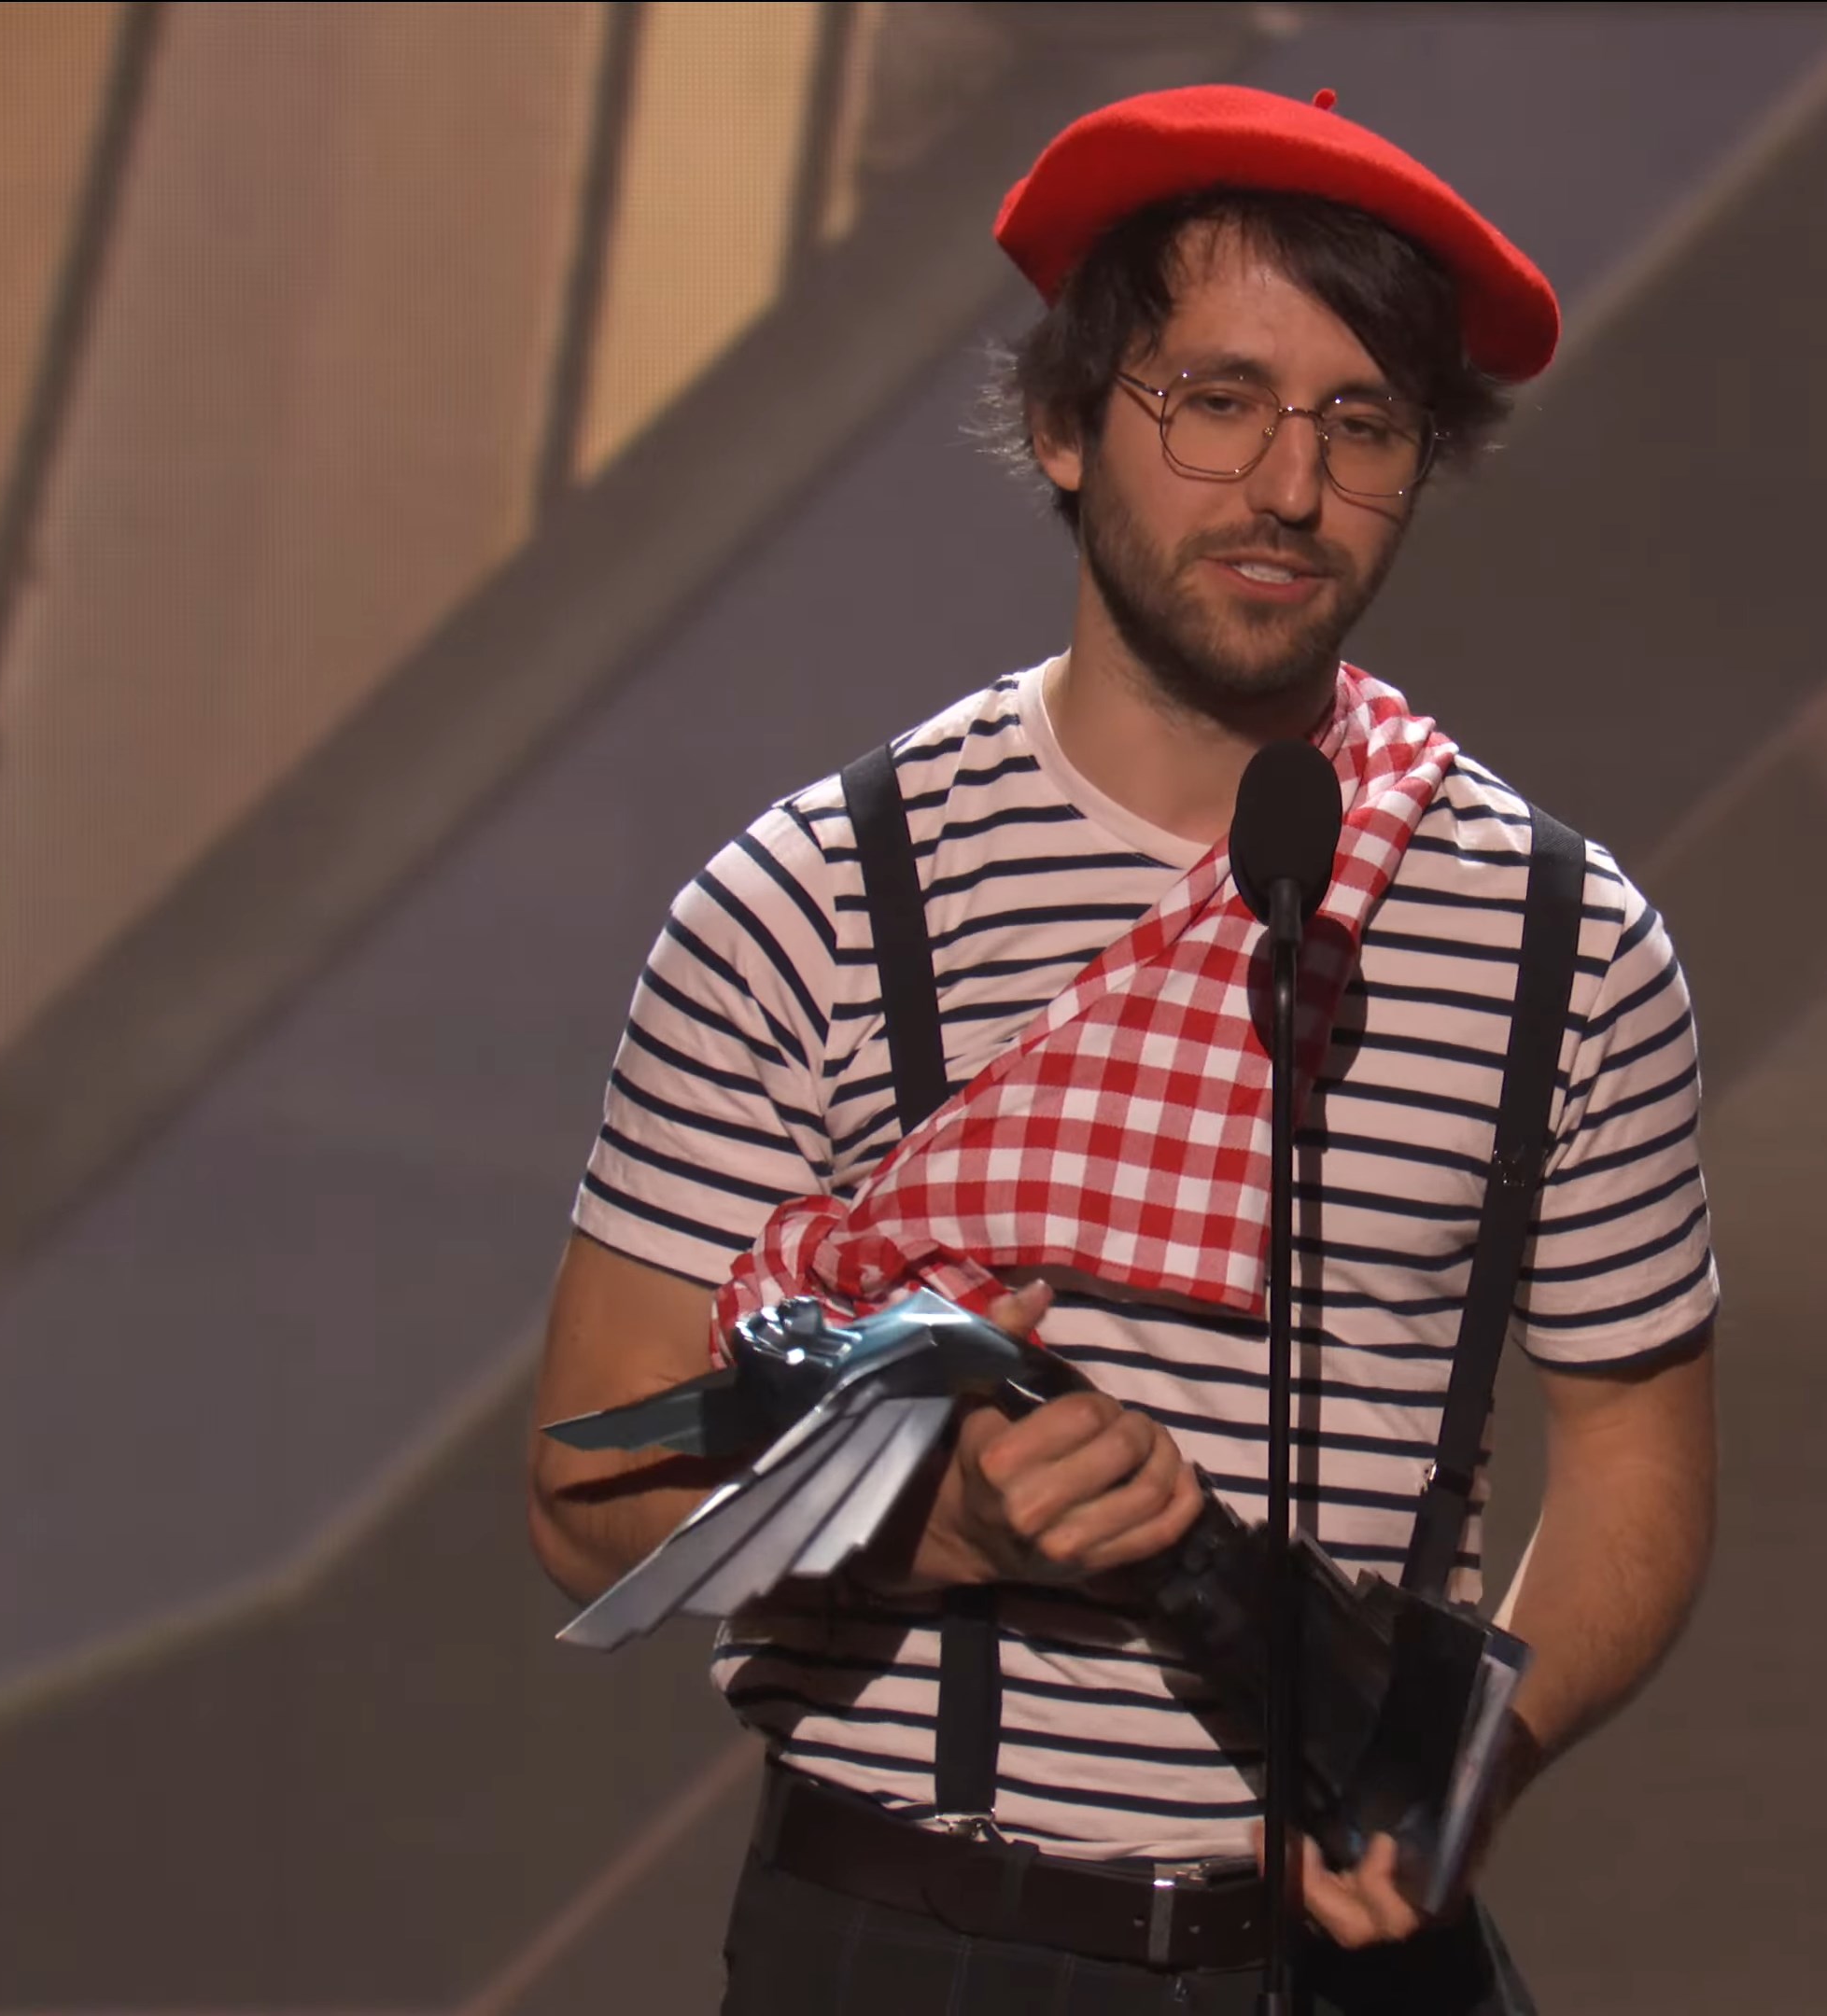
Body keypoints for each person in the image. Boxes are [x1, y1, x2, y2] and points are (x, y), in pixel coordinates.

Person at [527, 82, 1719, 2015]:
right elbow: (585, 1499)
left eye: (1363, 424)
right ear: (1070, 425)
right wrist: (941, 1522)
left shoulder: (1565, 942)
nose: (1289, 488)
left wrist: (1478, 1752)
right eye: (1219, 400)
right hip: (903, 1944)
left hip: (1346, 1963)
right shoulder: (808, 901)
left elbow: (1636, 1462)